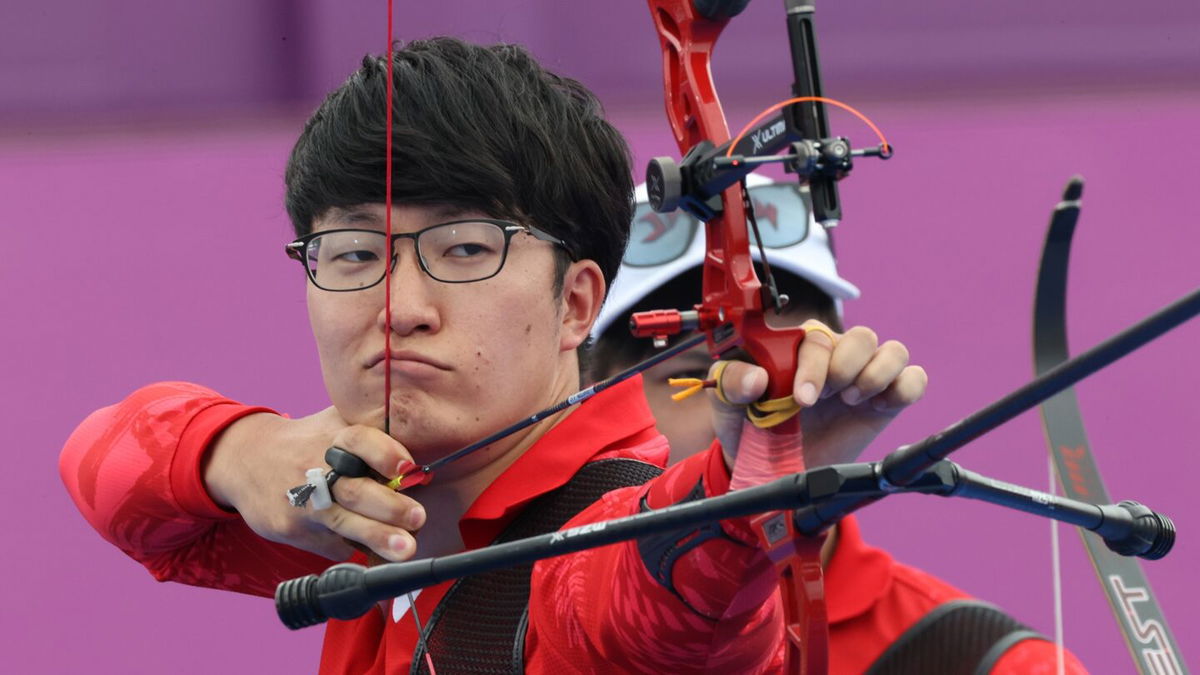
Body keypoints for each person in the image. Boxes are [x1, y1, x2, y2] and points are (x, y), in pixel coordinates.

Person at [57, 38, 1069, 673]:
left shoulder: (604, 536)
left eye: (463, 250)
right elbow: (111, 471)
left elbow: (638, 602)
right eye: (353, 253)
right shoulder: (370, 502)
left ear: (576, 300)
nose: (396, 307)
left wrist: (747, 484)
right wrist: (242, 454)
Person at [589, 176, 1088, 673]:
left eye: (784, 368)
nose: (747, 412)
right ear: (593, 392)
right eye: (695, 377)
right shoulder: (535, 628)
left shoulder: (978, 662)